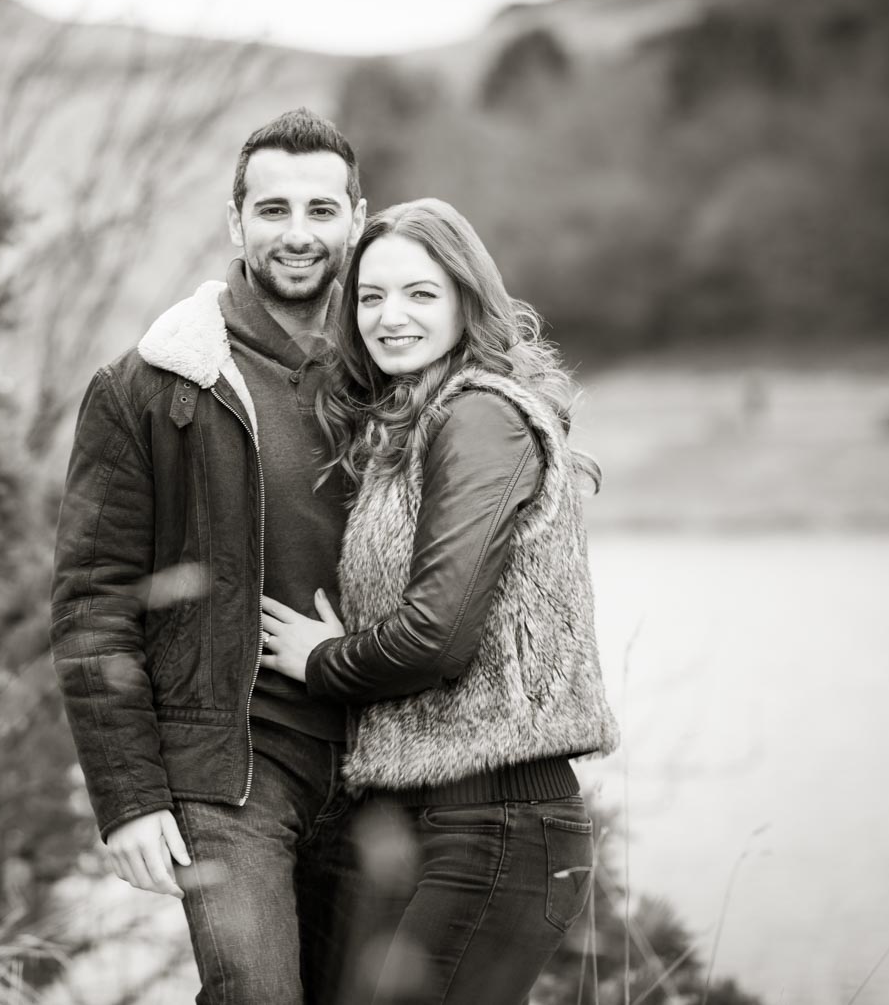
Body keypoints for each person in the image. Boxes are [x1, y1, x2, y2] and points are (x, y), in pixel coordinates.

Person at [257, 198, 621, 1004]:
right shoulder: (408, 424)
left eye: (420, 293)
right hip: (419, 818)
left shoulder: (482, 416)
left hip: (496, 824)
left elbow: (437, 634)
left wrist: (323, 660)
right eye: (372, 296)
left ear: (466, 297)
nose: (391, 317)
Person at [50, 108, 367, 1005]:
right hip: (230, 767)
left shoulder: (395, 374)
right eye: (272, 210)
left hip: (382, 755)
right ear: (236, 223)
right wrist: (128, 794)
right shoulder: (147, 384)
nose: (297, 233)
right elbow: (93, 601)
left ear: (356, 217)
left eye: (319, 209)